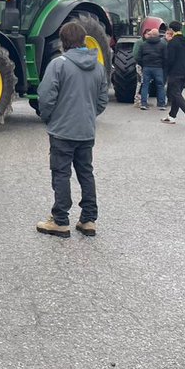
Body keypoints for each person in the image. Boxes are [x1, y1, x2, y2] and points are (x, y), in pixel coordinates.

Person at [35, 22, 108, 238]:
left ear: (63, 41)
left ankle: (60, 220)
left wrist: (49, 117)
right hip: (86, 131)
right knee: (86, 172)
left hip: (62, 130)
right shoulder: (99, 67)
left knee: (61, 174)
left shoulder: (58, 64)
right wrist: (87, 115)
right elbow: (102, 101)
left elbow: (46, 97)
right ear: (84, 40)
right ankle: (88, 219)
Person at [162, 21, 185, 126]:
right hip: (184, 70)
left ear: (171, 30)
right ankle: (172, 116)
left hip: (175, 71)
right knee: (177, 94)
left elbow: (170, 59)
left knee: (175, 93)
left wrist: (166, 70)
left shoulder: (173, 42)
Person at [134, 27, 167, 110]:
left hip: (146, 68)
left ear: (150, 35)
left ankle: (143, 104)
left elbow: (138, 57)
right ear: (158, 35)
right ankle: (161, 104)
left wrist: (143, 64)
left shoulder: (143, 44)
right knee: (160, 85)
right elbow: (166, 57)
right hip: (158, 68)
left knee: (145, 85)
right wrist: (162, 66)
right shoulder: (162, 45)